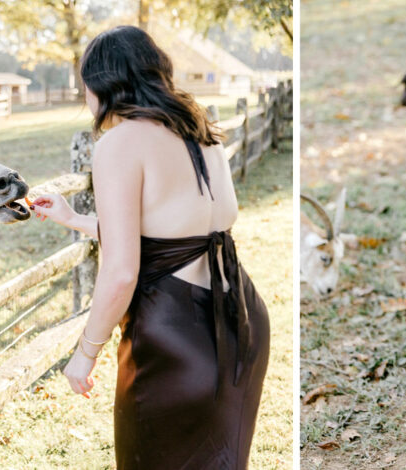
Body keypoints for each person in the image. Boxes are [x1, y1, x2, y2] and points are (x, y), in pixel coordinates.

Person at [29, 25, 270, 469]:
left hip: (175, 339)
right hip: (241, 324)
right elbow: (174, 229)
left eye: (85, 84)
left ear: (103, 83)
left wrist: (85, 354)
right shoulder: (204, 133)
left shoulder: (119, 143)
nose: (85, 96)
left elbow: (122, 270)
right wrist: (73, 217)